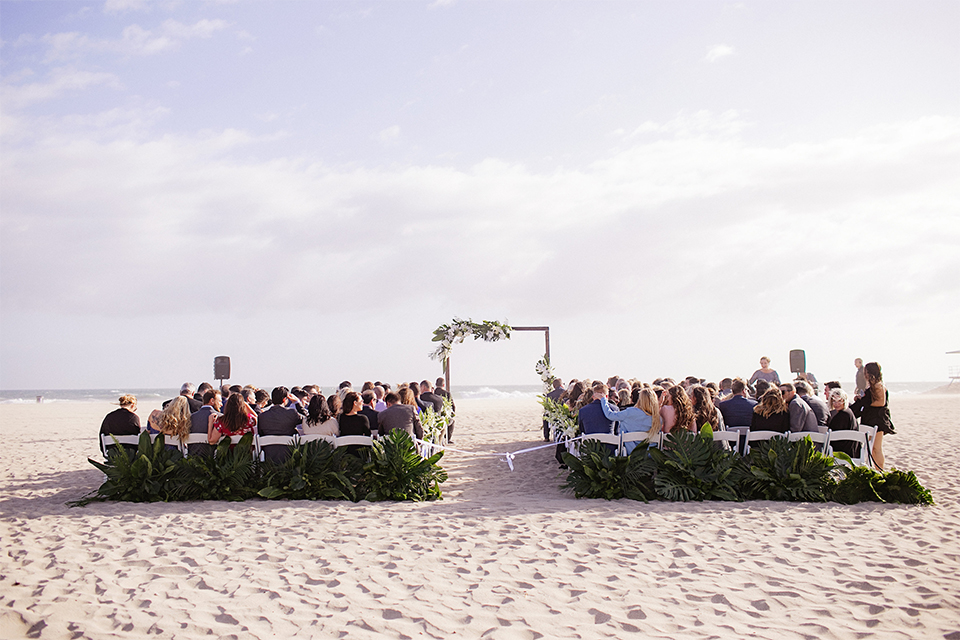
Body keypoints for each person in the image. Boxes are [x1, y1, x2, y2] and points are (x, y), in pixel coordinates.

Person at [850, 362, 894, 470]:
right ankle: (873, 468)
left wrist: (866, 403)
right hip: (870, 418)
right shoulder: (872, 385)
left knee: (876, 448)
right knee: (869, 447)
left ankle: (880, 470)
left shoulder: (879, 385)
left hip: (877, 419)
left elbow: (881, 402)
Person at [599, 388, 660, 454]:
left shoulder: (630, 412)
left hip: (630, 453)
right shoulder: (658, 418)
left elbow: (610, 415)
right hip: (651, 455)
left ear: (640, 400)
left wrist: (603, 399)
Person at [258, 387, 302, 463]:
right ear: (284, 399)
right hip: (289, 455)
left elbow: (260, 433)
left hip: (269, 455)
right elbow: (307, 420)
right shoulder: (291, 413)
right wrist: (297, 403)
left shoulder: (262, 416)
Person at [827, 388, 860, 457]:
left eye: (839, 401)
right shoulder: (848, 412)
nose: (836, 404)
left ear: (844, 401)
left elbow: (832, 436)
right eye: (834, 401)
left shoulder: (842, 416)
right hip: (852, 449)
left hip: (844, 452)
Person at [189, 390, 221, 456]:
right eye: (219, 401)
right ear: (212, 401)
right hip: (213, 460)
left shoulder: (191, 417)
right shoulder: (221, 417)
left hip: (192, 458)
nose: (221, 404)